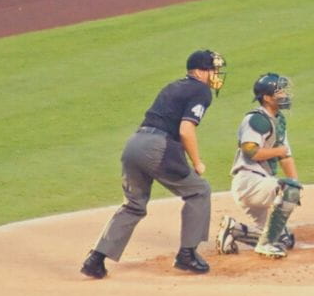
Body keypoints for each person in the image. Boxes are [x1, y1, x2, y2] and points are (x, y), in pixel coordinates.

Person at [81, 49, 227, 279]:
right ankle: (187, 255)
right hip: (157, 147)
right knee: (199, 190)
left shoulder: (173, 86)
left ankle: (95, 259)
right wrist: (197, 162)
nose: (215, 75)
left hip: (133, 145)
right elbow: (186, 130)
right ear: (199, 71)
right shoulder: (201, 90)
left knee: (133, 205)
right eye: (212, 70)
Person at [217, 73, 300, 259]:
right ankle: (266, 244)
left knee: (285, 239)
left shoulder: (278, 121)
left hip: (261, 182)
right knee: (289, 190)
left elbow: (286, 156)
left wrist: (296, 183)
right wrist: (290, 188)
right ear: (267, 97)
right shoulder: (256, 120)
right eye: (280, 92)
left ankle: (233, 230)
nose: (285, 95)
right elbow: (250, 151)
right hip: (248, 182)